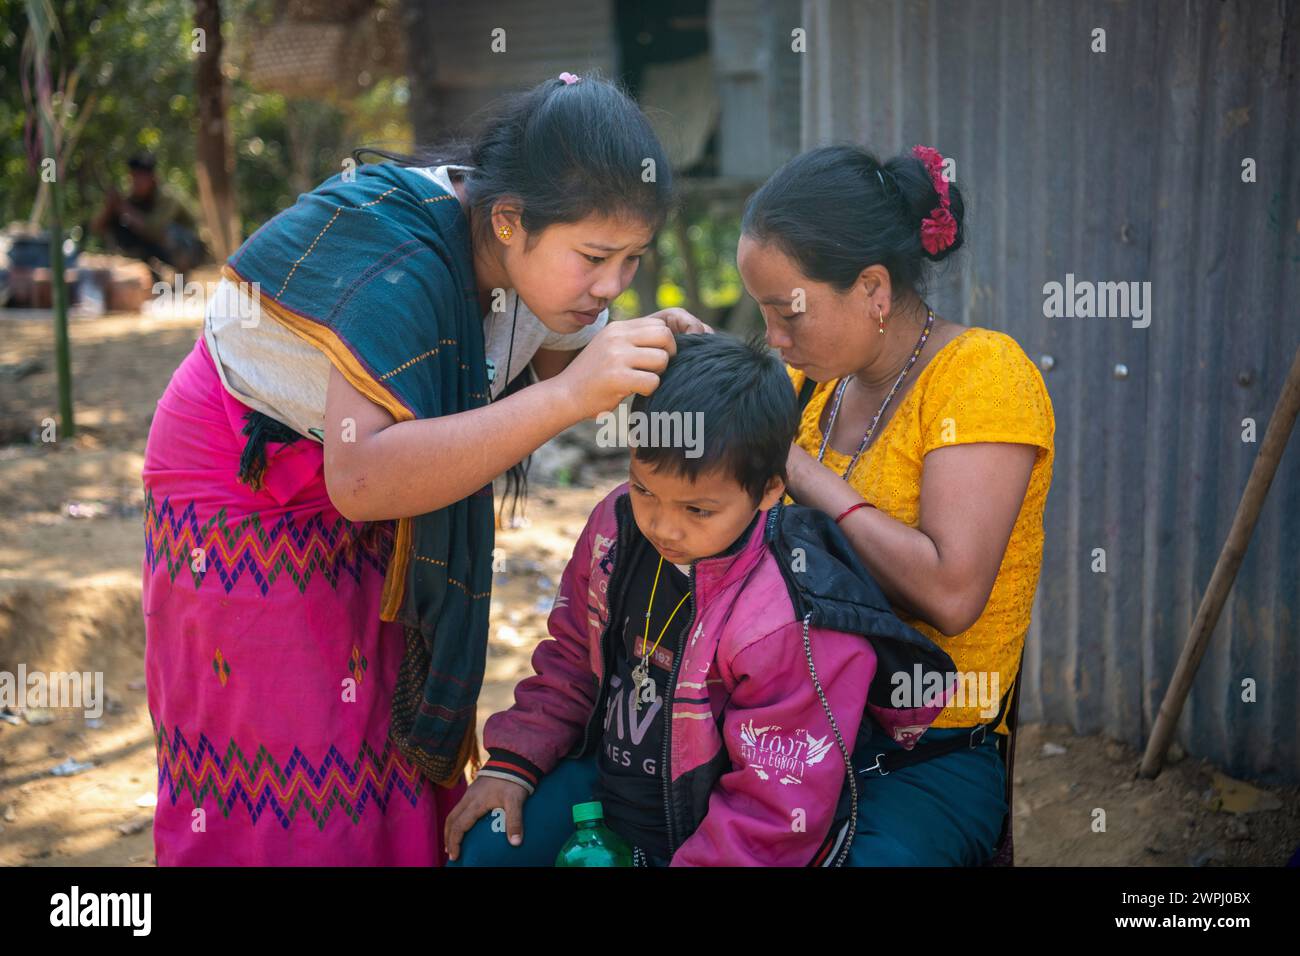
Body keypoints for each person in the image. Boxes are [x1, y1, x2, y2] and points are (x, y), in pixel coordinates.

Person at [142, 72, 708, 865]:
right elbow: (364, 481)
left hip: (370, 476)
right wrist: (578, 392)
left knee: (379, 724)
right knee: (290, 752)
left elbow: (551, 373)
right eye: (595, 257)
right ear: (509, 220)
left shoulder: (533, 278)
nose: (612, 287)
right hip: (247, 480)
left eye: (631, 259)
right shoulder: (399, 256)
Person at [444, 333, 954, 866]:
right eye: (645, 489)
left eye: (698, 511)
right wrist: (513, 762)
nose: (663, 526)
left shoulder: (786, 619)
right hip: (609, 796)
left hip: (717, 833)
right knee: (487, 849)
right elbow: (572, 659)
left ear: (769, 491)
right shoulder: (613, 531)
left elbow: (775, 807)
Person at [736, 143, 1056, 865]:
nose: (774, 341)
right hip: (795, 727)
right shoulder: (813, 389)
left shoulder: (981, 377)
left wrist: (801, 472)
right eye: (763, 316)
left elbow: (950, 594)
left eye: (789, 313)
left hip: (929, 754)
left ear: (874, 288)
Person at [92, 152, 205, 273]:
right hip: (159, 249)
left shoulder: (167, 197)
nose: (136, 182)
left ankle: (182, 273)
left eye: (141, 178)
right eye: (133, 177)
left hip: (192, 248)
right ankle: (148, 273)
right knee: (121, 227)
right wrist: (109, 207)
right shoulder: (131, 199)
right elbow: (96, 228)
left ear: (153, 178)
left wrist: (123, 208)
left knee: (168, 230)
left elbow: (155, 229)